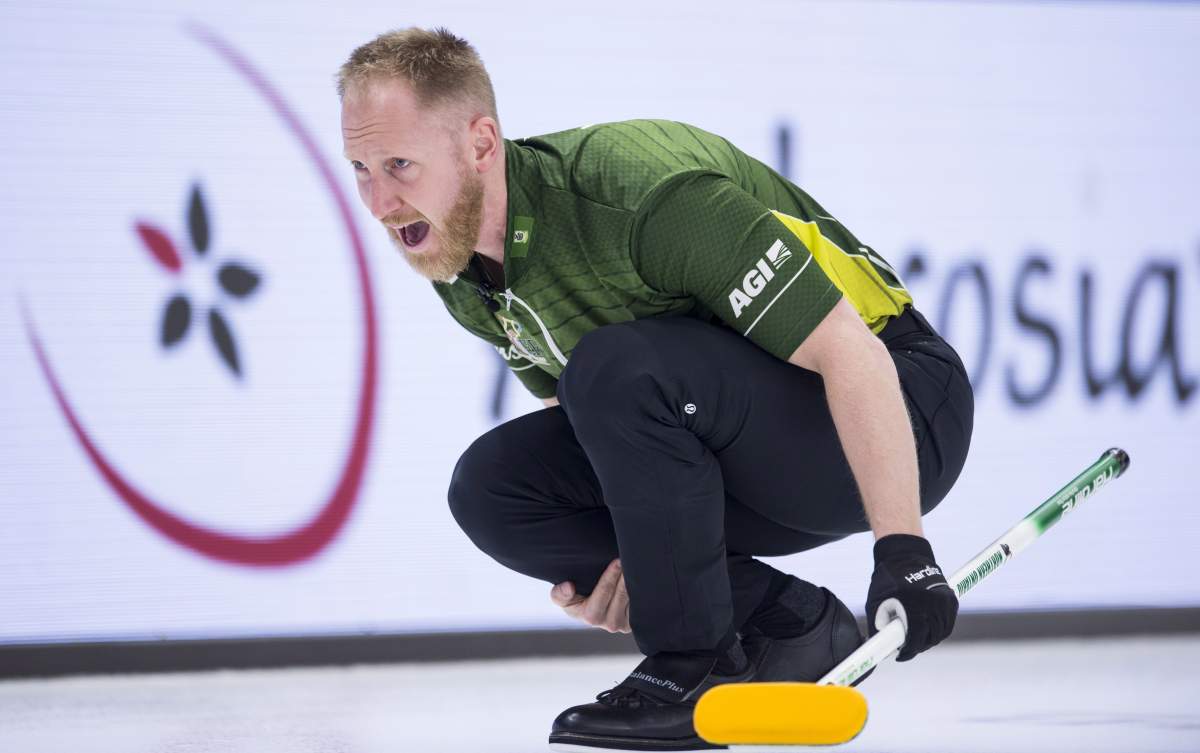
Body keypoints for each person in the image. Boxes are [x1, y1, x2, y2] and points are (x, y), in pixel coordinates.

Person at [337, 27, 973, 752]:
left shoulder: (643, 196)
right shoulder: (463, 273)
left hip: (904, 404)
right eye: (359, 168)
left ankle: (692, 664)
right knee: (493, 488)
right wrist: (645, 567)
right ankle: (786, 626)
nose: (380, 202)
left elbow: (853, 355)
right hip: (747, 446)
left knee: (613, 367)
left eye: (398, 165)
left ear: (481, 144)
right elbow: (597, 439)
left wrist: (904, 548)